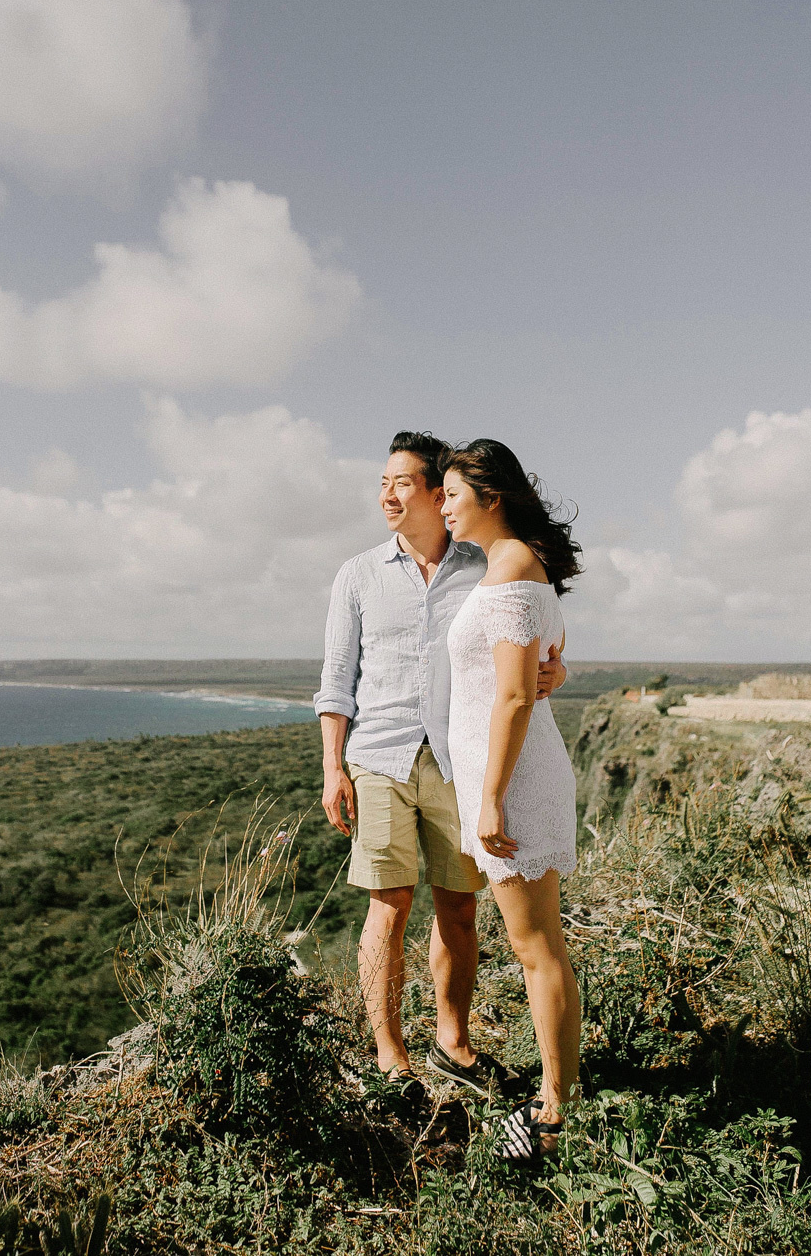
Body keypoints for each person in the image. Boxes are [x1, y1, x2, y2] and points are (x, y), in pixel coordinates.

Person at [316, 431, 567, 1088]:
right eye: (382, 483)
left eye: (402, 482)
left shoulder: (485, 563)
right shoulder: (358, 574)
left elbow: (529, 628)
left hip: (461, 760)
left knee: (458, 906)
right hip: (379, 757)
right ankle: (389, 1054)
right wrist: (331, 766)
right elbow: (336, 678)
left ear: (436, 493)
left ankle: (452, 1044)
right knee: (388, 905)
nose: (387, 495)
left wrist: (557, 670)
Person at [441, 438, 581, 1159]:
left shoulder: (516, 566)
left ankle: (556, 1113)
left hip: (515, 781)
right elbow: (543, 665)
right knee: (535, 945)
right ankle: (562, 1096)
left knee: (535, 948)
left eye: (452, 493)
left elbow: (518, 693)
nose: (443, 506)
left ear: (490, 496)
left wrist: (490, 798)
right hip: (507, 776)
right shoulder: (513, 564)